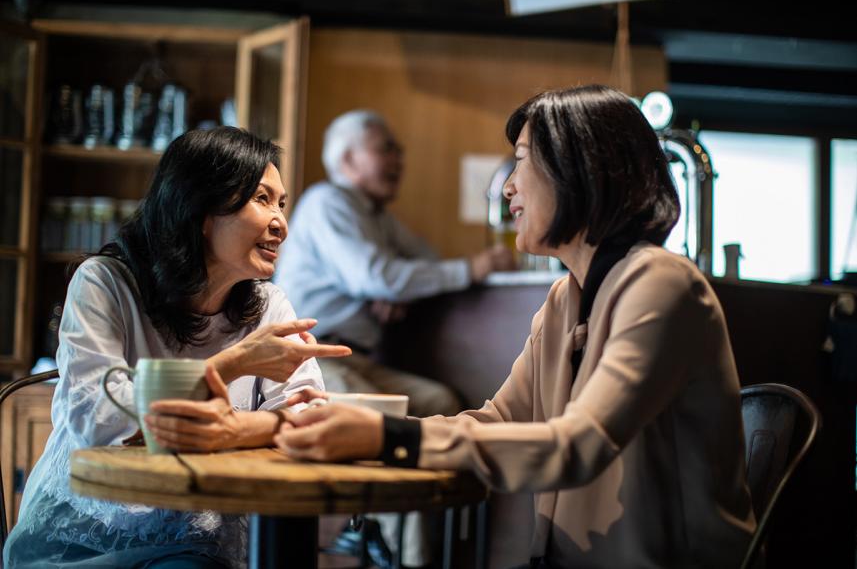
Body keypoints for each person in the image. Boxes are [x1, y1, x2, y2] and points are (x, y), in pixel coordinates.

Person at [275, 85, 757, 568]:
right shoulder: (565, 296)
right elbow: (499, 419)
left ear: (580, 170)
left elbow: (579, 445)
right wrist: (380, 429)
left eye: (521, 160)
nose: (508, 187)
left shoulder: (661, 284)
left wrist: (390, 439)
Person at [2, 127, 351, 569]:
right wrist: (235, 367)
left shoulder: (269, 305)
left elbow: (309, 417)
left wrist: (227, 430)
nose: (281, 222)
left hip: (198, 541)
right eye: (262, 199)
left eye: (281, 203)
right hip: (80, 539)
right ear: (201, 209)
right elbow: (98, 420)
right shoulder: (106, 282)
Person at [272, 110, 515, 567]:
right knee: (387, 425)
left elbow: (417, 261)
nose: (398, 159)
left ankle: (408, 550)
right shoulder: (329, 202)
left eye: (397, 150)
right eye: (386, 148)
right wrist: (469, 269)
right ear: (347, 160)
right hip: (313, 360)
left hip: (356, 356)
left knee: (439, 400)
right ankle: (391, 549)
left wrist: (396, 286)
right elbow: (378, 277)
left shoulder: (376, 215)